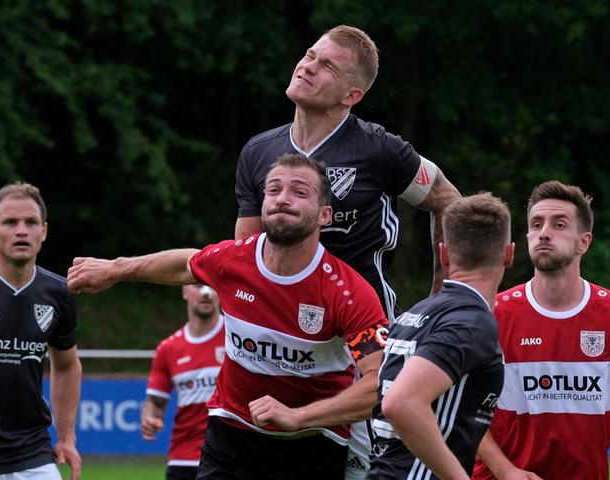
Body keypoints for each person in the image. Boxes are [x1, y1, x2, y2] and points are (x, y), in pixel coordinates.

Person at [68, 154, 388, 480]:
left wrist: (299, 416)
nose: (282, 199)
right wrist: (114, 269)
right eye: (273, 190)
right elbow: (187, 264)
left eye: (299, 192)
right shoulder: (233, 260)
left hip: (312, 447)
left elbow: (381, 385)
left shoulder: (348, 292)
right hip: (230, 437)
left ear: (325, 215)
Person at [233, 25, 462, 478]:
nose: (307, 66)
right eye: (309, 54)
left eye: (326, 66)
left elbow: (449, 201)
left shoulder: (380, 149)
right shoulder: (260, 152)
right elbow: (243, 255)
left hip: (362, 345)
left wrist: (444, 292)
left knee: (366, 469)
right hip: (283, 341)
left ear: (351, 95)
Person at [473, 180, 610, 480]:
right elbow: (461, 406)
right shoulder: (492, 313)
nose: (544, 232)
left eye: (559, 224)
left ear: (584, 242)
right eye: (536, 224)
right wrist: (506, 471)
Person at [367, 193, 514, 480]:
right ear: (509, 254)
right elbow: (400, 403)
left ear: (444, 254)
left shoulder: (415, 314)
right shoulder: (470, 323)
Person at [0, 182, 82, 480]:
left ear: (44, 231)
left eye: (31, 222)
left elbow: (66, 365)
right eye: (10, 222)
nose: (21, 230)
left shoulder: (60, 293)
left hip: (32, 452)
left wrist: (66, 436)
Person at [142, 284, 224, 480]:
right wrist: (149, 418)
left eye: (212, 284)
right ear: (184, 291)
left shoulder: (238, 337)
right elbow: (155, 402)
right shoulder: (168, 348)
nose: (205, 292)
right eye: (197, 285)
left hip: (228, 456)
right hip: (183, 458)